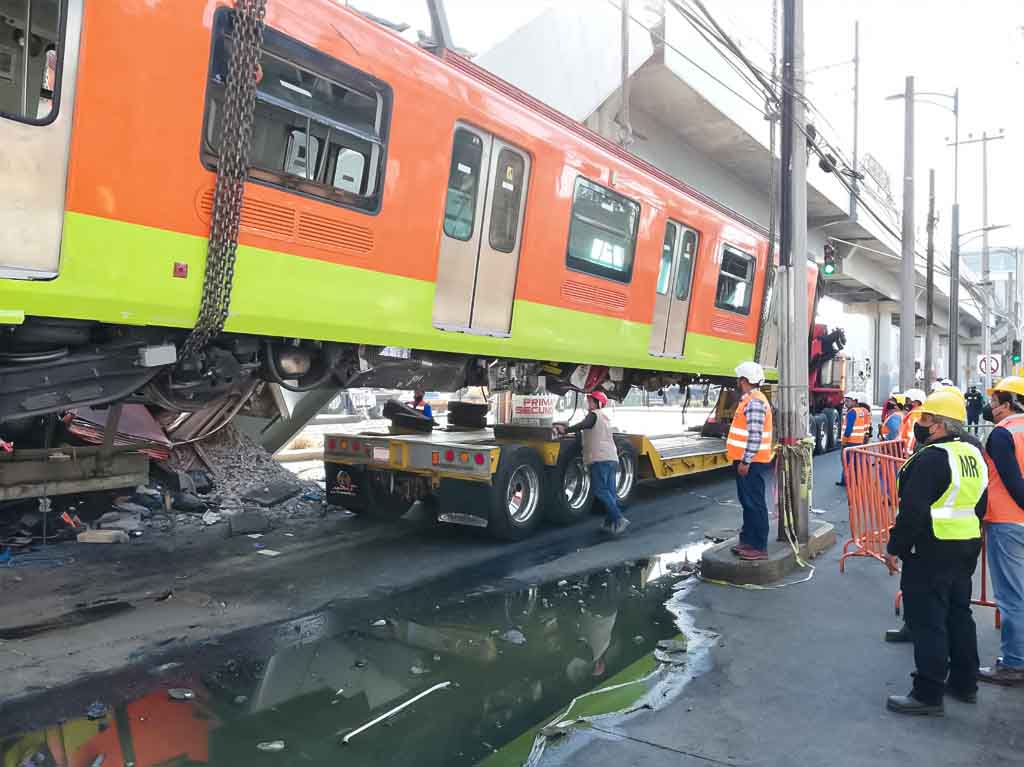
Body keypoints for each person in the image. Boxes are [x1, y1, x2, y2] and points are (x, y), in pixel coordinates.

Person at [884, 389, 988, 715]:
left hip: (931, 549)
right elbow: (980, 505)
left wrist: (895, 548)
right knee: (959, 615)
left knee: (928, 621)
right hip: (965, 546)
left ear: (941, 425)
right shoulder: (973, 455)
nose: (920, 425)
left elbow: (912, 511)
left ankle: (928, 693)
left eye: (926, 420)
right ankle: (964, 683)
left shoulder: (931, 458)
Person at [977, 376, 1024, 686]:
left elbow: (1012, 482)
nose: (990, 409)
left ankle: (1015, 663)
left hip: (1008, 521)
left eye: (994, 404)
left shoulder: (1004, 434)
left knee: (1012, 595)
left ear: (1007, 405)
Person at [555, 391, 629, 536]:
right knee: (610, 492)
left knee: (601, 490)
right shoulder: (604, 417)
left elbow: (584, 425)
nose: (588, 403)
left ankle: (619, 519)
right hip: (611, 457)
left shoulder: (594, 414)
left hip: (600, 459)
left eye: (591, 401)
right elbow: (591, 430)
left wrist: (566, 430)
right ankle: (610, 522)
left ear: (597, 403)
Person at [726, 361, 774, 561]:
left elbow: (755, 436)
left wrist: (745, 461)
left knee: (754, 503)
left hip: (751, 463)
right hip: (747, 461)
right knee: (748, 502)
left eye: (739, 379)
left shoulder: (754, 402)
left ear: (744, 381)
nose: (738, 382)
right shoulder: (751, 400)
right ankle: (747, 540)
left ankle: (758, 546)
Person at [837, 391, 870, 487]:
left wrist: (844, 442)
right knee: (855, 463)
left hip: (850, 442)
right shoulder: (861, 411)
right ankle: (852, 481)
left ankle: (847, 482)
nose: (846, 403)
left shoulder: (852, 412)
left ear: (855, 401)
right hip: (858, 442)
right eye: (845, 401)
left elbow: (848, 429)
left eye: (848, 401)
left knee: (846, 463)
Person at [898, 388, 927, 456]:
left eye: (908, 400)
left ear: (915, 402)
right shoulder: (922, 411)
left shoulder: (915, 413)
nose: (907, 402)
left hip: (911, 447)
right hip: (917, 445)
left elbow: (910, 432)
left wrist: (908, 450)